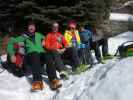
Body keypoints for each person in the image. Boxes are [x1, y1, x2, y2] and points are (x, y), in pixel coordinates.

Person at [7, 22, 62, 91]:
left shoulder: (39, 35)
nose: (31, 28)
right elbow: (11, 42)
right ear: (28, 28)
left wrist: (53, 40)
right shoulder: (24, 37)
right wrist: (12, 54)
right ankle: (38, 81)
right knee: (35, 54)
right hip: (29, 58)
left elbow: (48, 39)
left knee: (47, 55)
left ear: (35, 28)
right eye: (30, 26)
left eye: (33, 26)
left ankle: (53, 80)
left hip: (40, 57)